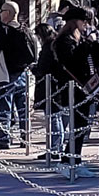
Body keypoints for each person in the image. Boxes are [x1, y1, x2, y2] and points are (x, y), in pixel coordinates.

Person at [51, 6, 99, 178]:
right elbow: (71, 61)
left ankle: (74, 159)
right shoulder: (64, 40)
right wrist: (87, 43)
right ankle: (69, 161)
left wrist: (94, 44)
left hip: (84, 87)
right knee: (77, 126)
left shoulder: (80, 39)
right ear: (75, 22)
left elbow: (93, 58)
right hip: (72, 88)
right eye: (84, 21)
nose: (86, 25)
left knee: (81, 126)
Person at [0, 1, 39, 149]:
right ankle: (25, 138)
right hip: (23, 74)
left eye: (2, 11)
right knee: (23, 109)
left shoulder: (5, 31)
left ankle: (3, 139)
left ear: (8, 13)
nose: (0, 13)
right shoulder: (25, 30)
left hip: (6, 74)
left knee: (4, 108)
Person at [31, 22, 62, 161]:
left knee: (53, 118)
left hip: (50, 87)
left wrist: (34, 69)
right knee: (56, 118)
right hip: (56, 86)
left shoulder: (48, 47)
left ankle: (55, 148)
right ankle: (56, 147)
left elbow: (43, 68)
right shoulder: (55, 45)